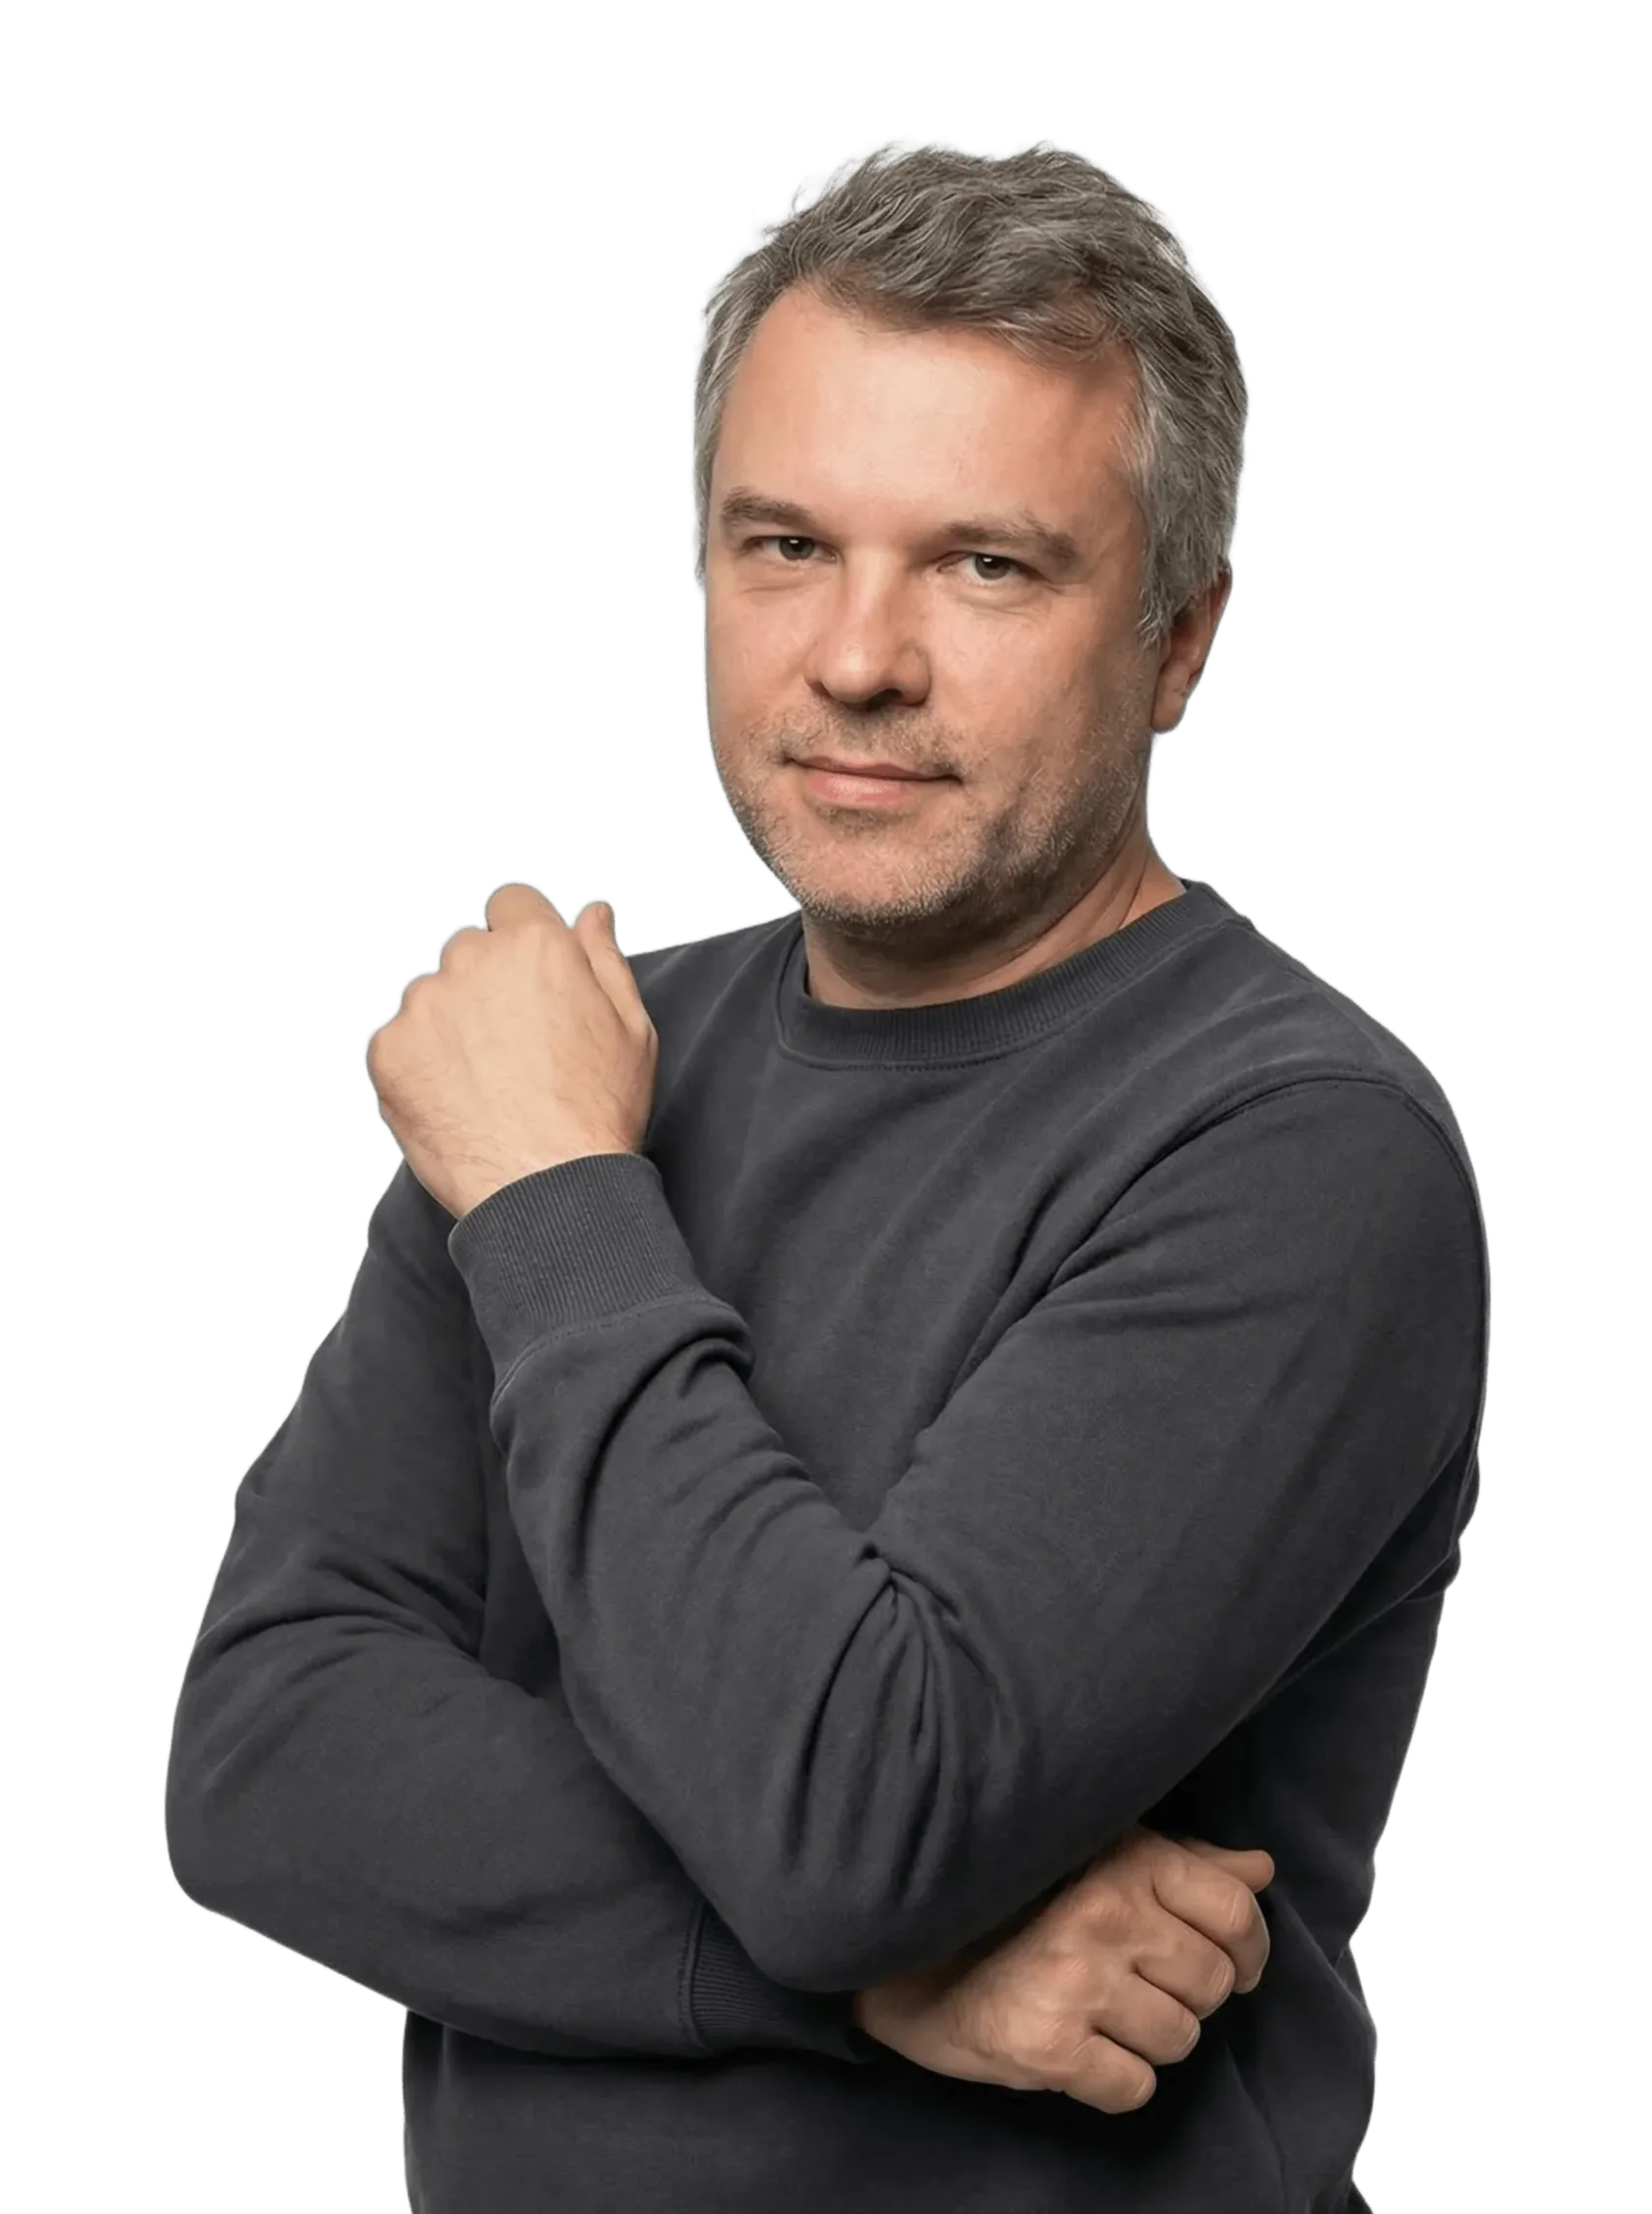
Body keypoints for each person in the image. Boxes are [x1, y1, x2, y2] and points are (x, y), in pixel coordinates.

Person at [164, 139, 1490, 2212]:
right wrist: (876, 1990)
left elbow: (857, 1821)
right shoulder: (585, 1065)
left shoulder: (1299, 1152)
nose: (858, 658)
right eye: (787, 542)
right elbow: (263, 1758)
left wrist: (551, 1201)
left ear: (1180, 642)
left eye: (986, 567)